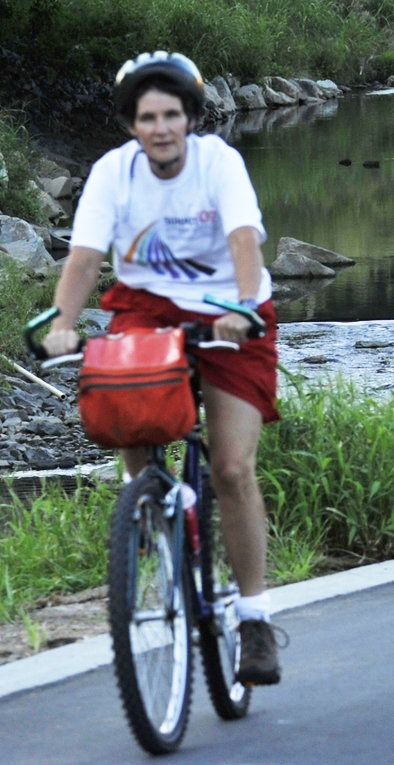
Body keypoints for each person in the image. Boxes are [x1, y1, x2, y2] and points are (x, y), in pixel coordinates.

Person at [43, 51, 285, 686]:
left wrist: (236, 306)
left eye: (172, 114)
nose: (161, 127)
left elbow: (242, 240)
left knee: (232, 468)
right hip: (149, 308)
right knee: (129, 408)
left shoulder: (219, 164)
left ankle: (254, 618)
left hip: (234, 313)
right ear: (131, 124)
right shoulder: (112, 173)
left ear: (191, 118)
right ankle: (157, 501)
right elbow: (86, 256)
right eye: (147, 117)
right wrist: (63, 321)